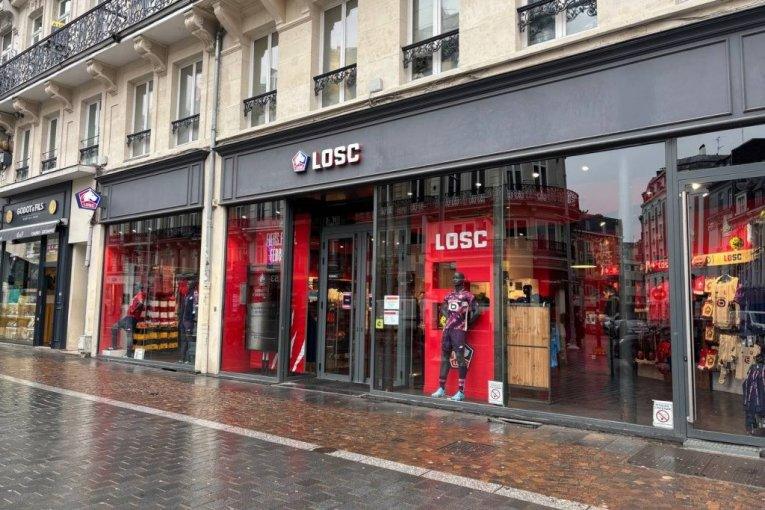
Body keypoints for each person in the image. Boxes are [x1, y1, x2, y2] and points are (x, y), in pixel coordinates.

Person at [431, 272, 478, 402]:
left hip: (459, 331)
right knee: (445, 357)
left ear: (463, 280)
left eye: (457, 278)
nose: (455, 279)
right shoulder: (449, 295)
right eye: (453, 277)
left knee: (460, 358)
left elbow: (476, 311)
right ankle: (441, 388)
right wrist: (449, 318)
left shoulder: (468, 295)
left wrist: (466, 323)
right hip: (447, 329)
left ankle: (461, 391)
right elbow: (443, 308)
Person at [111, 286, 146, 355]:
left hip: (131, 318)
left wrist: (133, 310)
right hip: (128, 317)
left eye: (136, 287)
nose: (135, 288)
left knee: (129, 335)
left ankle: (129, 354)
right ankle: (114, 347)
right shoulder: (137, 295)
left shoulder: (140, 294)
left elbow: (141, 303)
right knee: (114, 327)